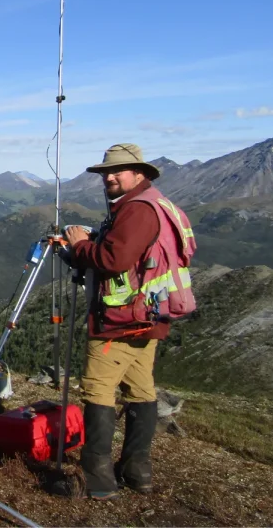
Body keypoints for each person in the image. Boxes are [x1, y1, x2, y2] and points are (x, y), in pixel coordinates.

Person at [64, 143, 196, 500]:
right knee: (140, 390)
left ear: (139, 174)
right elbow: (133, 254)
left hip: (120, 321)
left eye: (117, 171)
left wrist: (80, 246)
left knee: (98, 390)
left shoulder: (137, 210)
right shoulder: (156, 204)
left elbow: (114, 260)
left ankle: (98, 480)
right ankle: (137, 471)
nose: (109, 177)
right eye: (106, 172)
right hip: (148, 315)